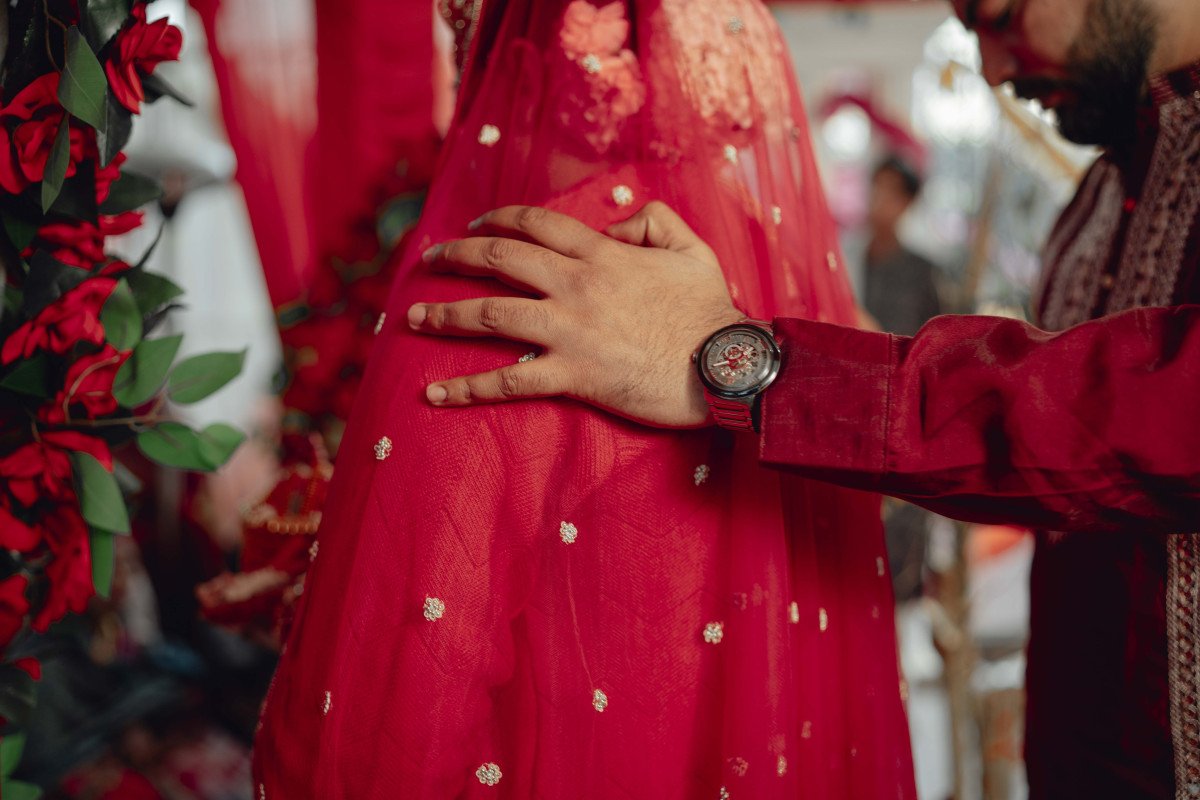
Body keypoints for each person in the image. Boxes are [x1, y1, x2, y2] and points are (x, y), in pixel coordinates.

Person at [406, 0, 1200, 794]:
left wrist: (741, 364)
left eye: (1001, 13)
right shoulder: (1100, 193)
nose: (993, 71)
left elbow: (1152, 411)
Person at [253, 1, 917, 798]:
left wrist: (324, 599)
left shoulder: (498, 300)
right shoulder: (804, 305)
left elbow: (368, 753)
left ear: (507, 53)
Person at [861, 155, 941, 338]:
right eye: (876, 187)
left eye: (890, 191)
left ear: (908, 202)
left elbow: (931, 339)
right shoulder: (844, 259)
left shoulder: (922, 273)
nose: (879, 198)